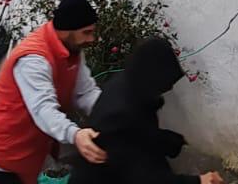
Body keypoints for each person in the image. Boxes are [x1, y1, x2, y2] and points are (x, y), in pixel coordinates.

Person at [0, 0, 109, 184]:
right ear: (67, 30)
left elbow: (85, 92)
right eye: (86, 32)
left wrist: (112, 110)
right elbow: (43, 109)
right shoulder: (34, 59)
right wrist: (75, 135)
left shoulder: (72, 51)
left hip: (25, 153)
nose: (92, 38)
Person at [69, 37, 223, 184]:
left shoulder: (129, 88)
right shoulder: (121, 112)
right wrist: (199, 181)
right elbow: (144, 176)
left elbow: (138, 135)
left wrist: (169, 141)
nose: (163, 92)